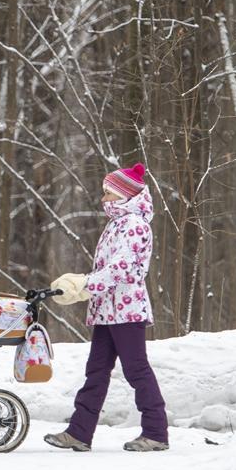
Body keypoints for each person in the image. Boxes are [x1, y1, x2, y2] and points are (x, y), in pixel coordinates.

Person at [43, 163, 169, 452]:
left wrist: (85, 285)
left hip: (126, 309)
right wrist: (87, 286)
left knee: (136, 370)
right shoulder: (117, 224)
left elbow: (121, 269)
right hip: (106, 309)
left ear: (124, 195)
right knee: (96, 370)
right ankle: (79, 433)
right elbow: (108, 269)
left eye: (109, 193)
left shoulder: (135, 225)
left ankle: (156, 432)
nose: (104, 199)